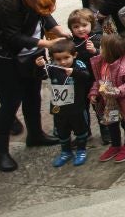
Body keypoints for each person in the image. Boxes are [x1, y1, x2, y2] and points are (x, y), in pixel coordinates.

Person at [0, 0, 69, 172]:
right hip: (9, 58)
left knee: (32, 95)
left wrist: (58, 30)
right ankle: (1, 151)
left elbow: (44, 16)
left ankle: (35, 134)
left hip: (32, 55)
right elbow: (11, 35)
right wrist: (46, 42)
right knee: (10, 103)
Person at [36, 39, 92, 167]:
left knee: (81, 130)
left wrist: (75, 73)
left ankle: (81, 150)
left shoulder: (79, 65)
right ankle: (65, 151)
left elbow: (87, 77)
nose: (63, 62)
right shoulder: (53, 68)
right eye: (58, 59)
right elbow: (42, 76)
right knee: (62, 131)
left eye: (66, 58)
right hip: (59, 108)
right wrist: (40, 66)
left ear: (74, 55)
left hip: (77, 107)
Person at [88, 32, 125, 164]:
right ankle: (115, 145)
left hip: (122, 101)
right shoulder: (101, 62)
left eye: (102, 47)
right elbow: (98, 80)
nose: (100, 49)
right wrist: (94, 92)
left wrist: (117, 91)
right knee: (112, 123)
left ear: (111, 51)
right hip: (108, 102)